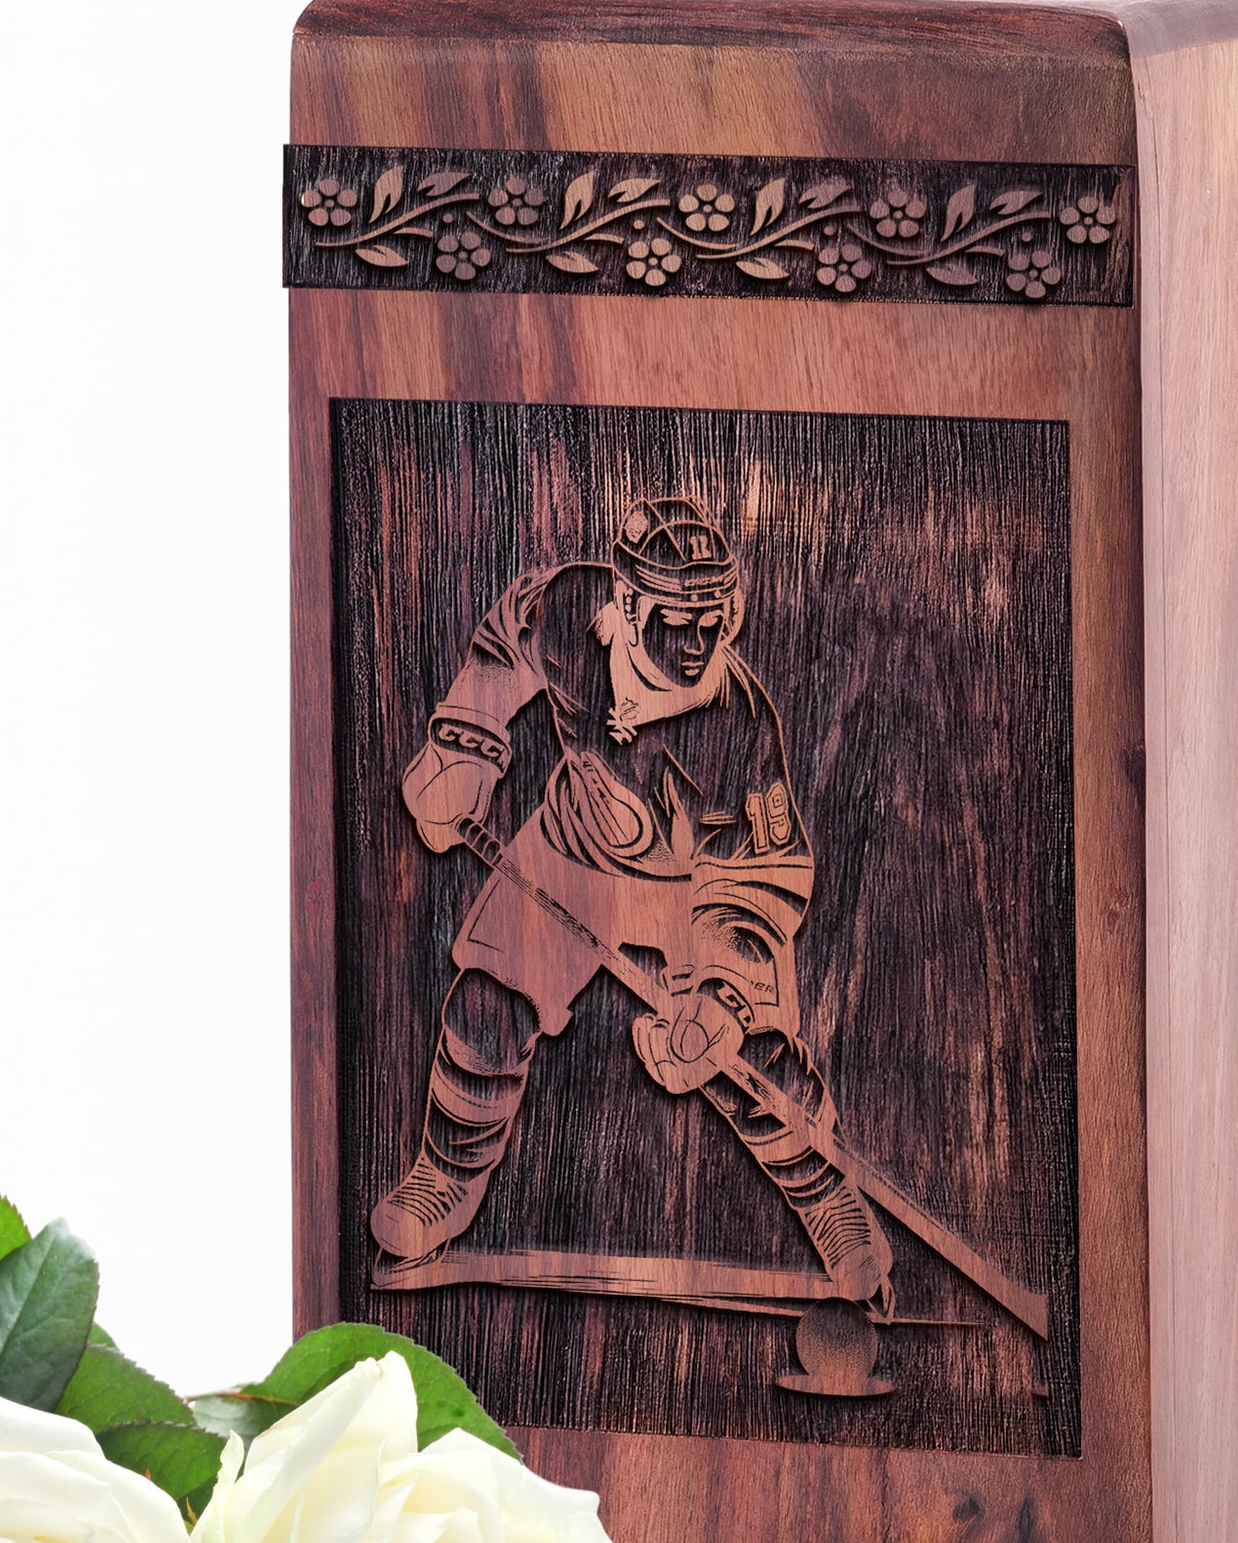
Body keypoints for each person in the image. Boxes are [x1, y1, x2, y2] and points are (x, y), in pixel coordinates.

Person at [372, 494, 893, 1306]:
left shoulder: (739, 727)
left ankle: (828, 1198)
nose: (695, 647)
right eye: (674, 624)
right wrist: (464, 750)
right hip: (573, 848)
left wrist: (721, 998)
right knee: (486, 1005)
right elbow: (503, 644)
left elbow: (757, 880)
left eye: (711, 625)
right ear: (625, 605)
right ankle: (445, 1177)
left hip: (698, 898)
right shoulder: (569, 609)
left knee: (743, 1057)